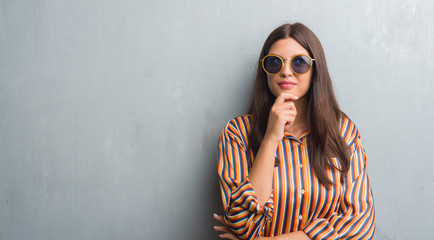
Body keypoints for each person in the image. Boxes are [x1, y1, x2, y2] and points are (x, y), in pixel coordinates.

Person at [213, 23, 375, 240]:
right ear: (265, 71)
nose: (286, 71)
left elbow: (360, 227)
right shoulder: (238, 133)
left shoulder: (343, 132)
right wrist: (271, 138)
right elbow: (242, 223)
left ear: (315, 70)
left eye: (300, 62)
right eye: (274, 63)